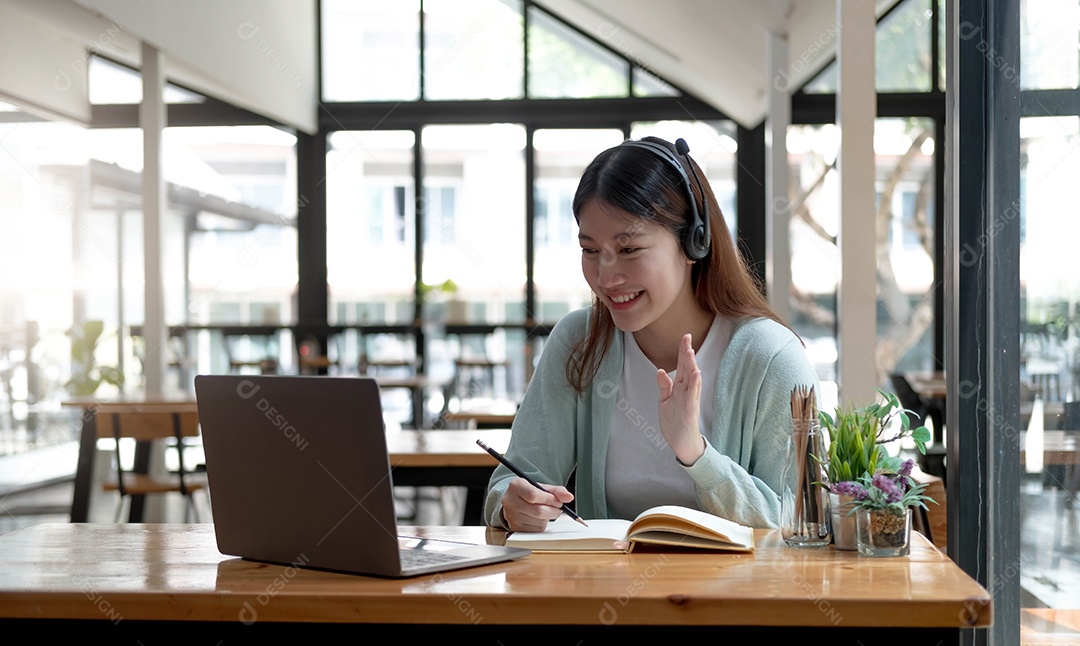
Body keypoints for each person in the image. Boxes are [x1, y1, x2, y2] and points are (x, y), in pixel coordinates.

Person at [485, 136, 817, 532]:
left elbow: (800, 521)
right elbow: (513, 480)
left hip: (735, 594)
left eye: (629, 249)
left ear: (694, 243)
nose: (606, 277)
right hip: (606, 592)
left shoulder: (770, 358)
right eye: (590, 250)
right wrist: (513, 507)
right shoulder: (579, 342)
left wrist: (696, 454)